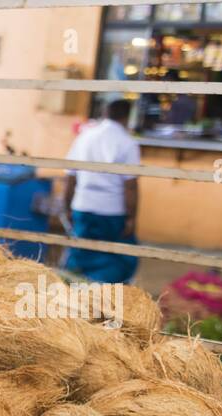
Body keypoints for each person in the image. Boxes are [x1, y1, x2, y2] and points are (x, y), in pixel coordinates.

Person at [63, 98, 140, 283]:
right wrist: (131, 217)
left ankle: (74, 297)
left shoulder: (85, 136)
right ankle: (103, 300)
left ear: (105, 113)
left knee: (81, 254)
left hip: (82, 206)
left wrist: (67, 207)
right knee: (114, 257)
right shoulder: (127, 142)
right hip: (112, 212)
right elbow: (130, 186)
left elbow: (70, 177)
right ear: (127, 117)